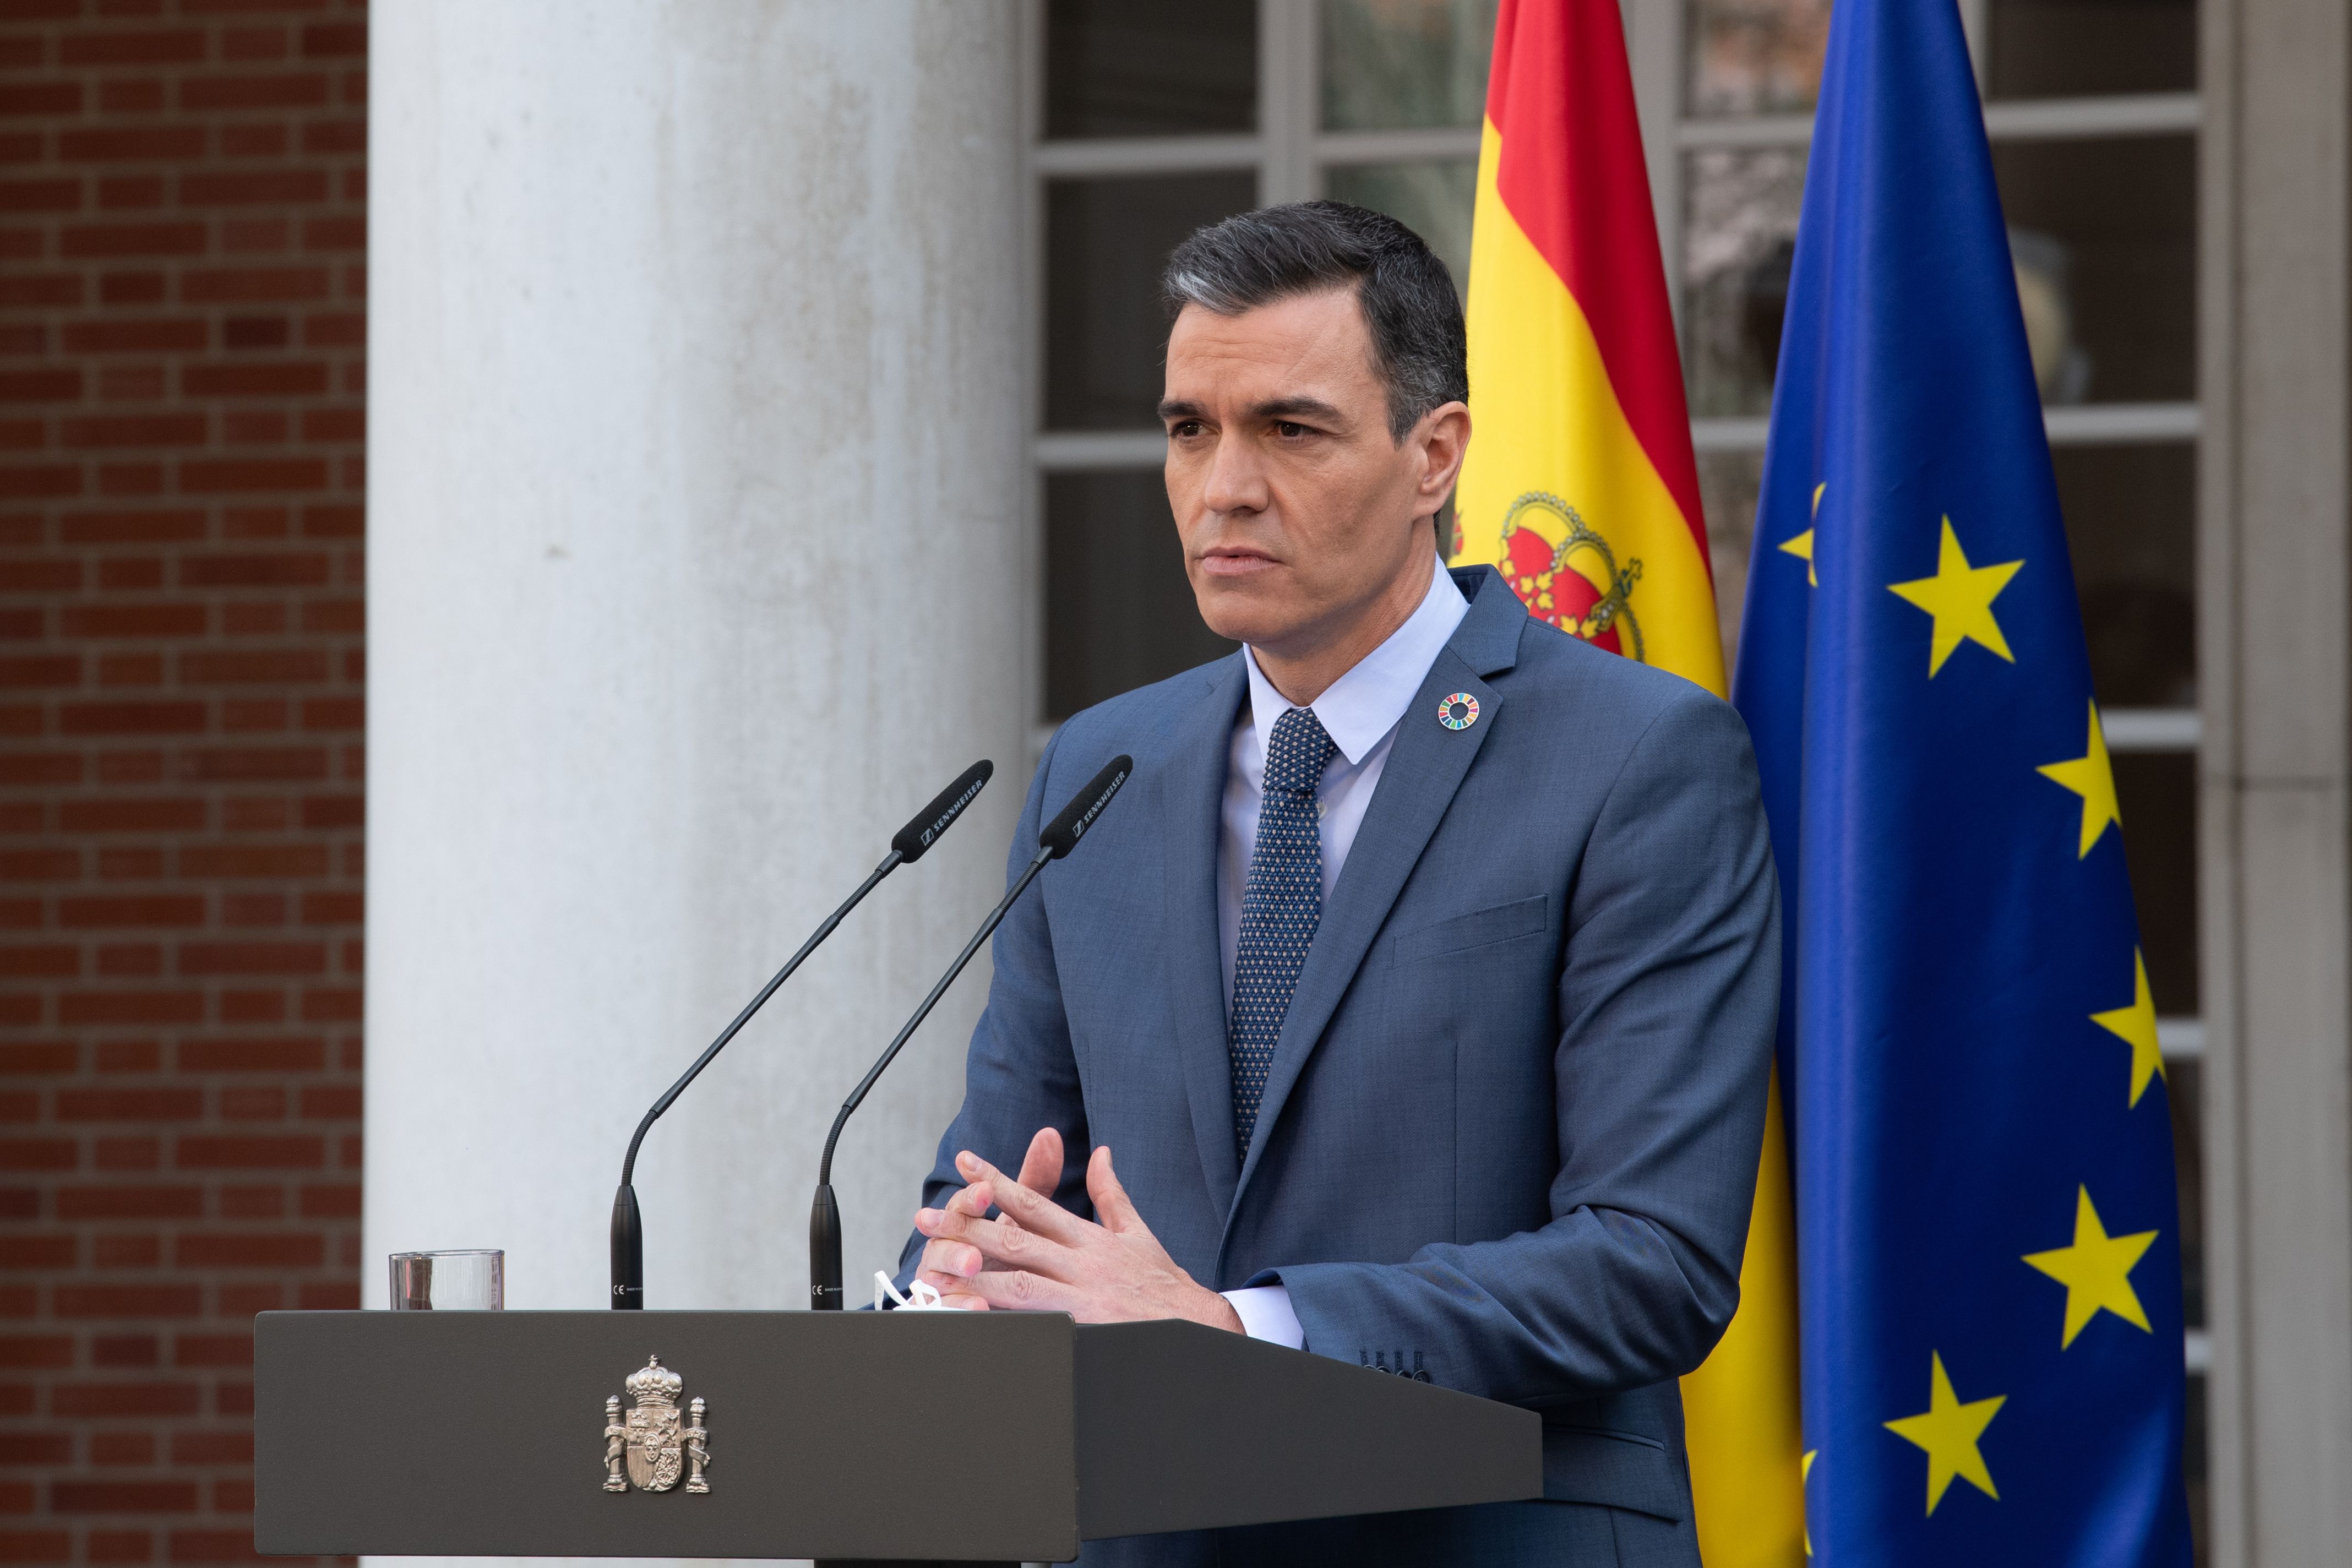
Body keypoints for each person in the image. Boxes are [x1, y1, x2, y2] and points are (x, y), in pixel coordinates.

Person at [897, 200, 1778, 1567]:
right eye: (1190, 428)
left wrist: (1244, 1330)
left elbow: (1650, 1260)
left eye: (1289, 430)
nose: (1223, 486)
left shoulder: (1640, 758)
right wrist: (940, 1302)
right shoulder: (1103, 764)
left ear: (1435, 454)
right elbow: (1006, 1189)